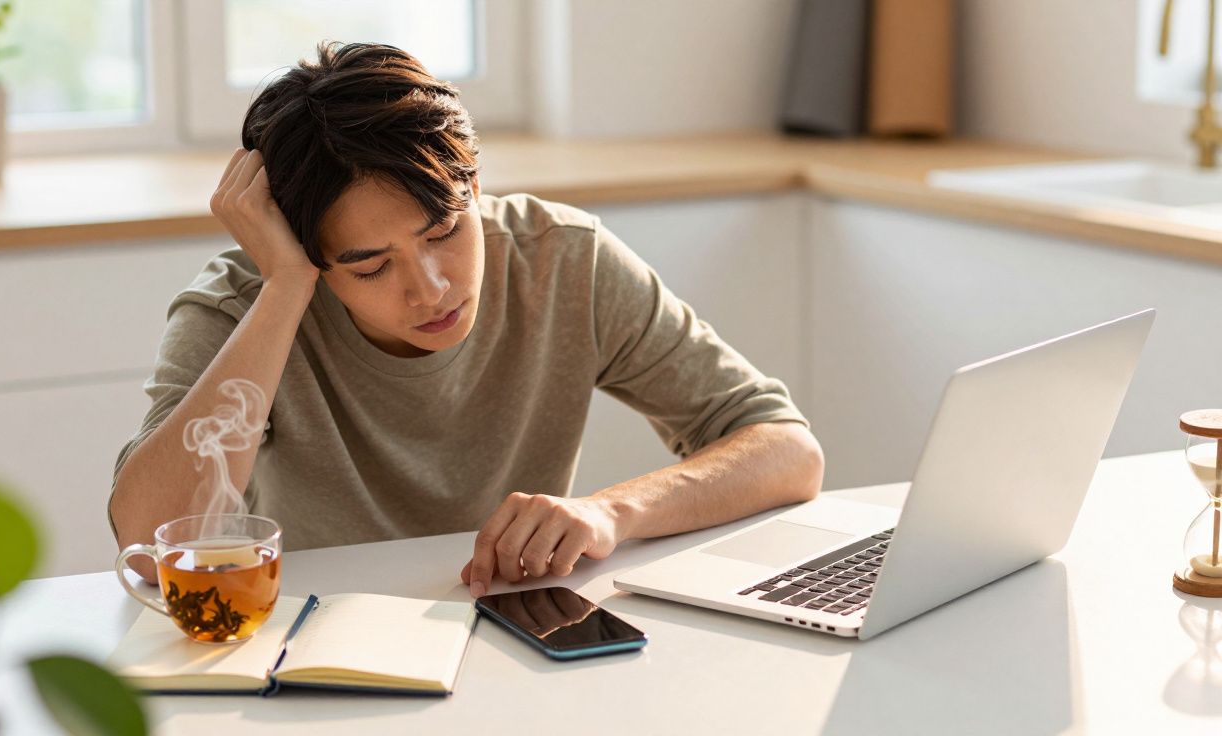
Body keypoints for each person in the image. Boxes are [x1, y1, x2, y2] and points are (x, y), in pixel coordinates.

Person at [108, 41, 824, 599]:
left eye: (445, 230)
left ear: (475, 185)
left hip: (516, 620)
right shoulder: (244, 306)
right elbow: (147, 542)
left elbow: (787, 451)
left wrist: (613, 512)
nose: (431, 289)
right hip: (316, 640)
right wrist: (287, 286)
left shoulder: (564, 260)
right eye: (370, 266)